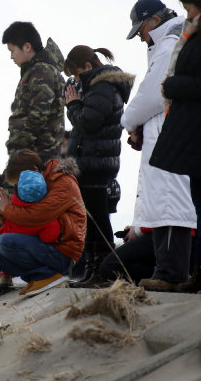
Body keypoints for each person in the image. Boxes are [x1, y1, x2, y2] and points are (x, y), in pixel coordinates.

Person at [121, 0, 196, 292]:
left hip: (170, 137)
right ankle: (170, 270)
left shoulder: (169, 44)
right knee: (168, 202)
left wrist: (128, 121)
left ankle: (170, 272)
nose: (141, 35)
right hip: (170, 132)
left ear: (153, 21)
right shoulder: (173, 40)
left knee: (169, 203)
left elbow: (152, 93)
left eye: (141, 28)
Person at [63, 45, 134, 287]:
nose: (75, 81)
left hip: (96, 161)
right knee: (92, 218)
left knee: (97, 218)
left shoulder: (103, 86)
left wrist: (73, 104)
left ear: (88, 67)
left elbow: (88, 122)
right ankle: (95, 271)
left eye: (75, 75)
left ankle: (104, 273)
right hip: (94, 160)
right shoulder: (98, 86)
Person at [149, 0, 201, 293]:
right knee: (199, 202)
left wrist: (172, 86)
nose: (188, 14)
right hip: (191, 134)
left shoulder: (185, 37)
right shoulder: (190, 35)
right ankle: (198, 271)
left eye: (191, 7)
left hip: (193, 130)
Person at [0, 150, 86, 297]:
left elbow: (38, 216)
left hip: (63, 251)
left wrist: (7, 209)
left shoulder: (63, 182)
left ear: (34, 169)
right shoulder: (34, 184)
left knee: (4, 242)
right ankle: (39, 277)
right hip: (43, 245)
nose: (19, 186)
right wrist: (4, 212)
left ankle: (47, 276)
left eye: (19, 181)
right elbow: (23, 225)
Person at [2, 21, 65, 162]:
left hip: (38, 156)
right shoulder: (34, 71)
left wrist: (18, 150)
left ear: (27, 47)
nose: (11, 56)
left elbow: (38, 115)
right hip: (34, 154)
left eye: (12, 51)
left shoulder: (41, 71)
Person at [0, 170, 61, 287]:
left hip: (51, 258)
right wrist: (5, 214)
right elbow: (49, 236)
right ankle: (32, 277)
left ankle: (43, 276)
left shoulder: (14, 205)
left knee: (1, 243)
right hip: (44, 251)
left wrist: (7, 213)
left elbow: (8, 236)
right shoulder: (47, 206)